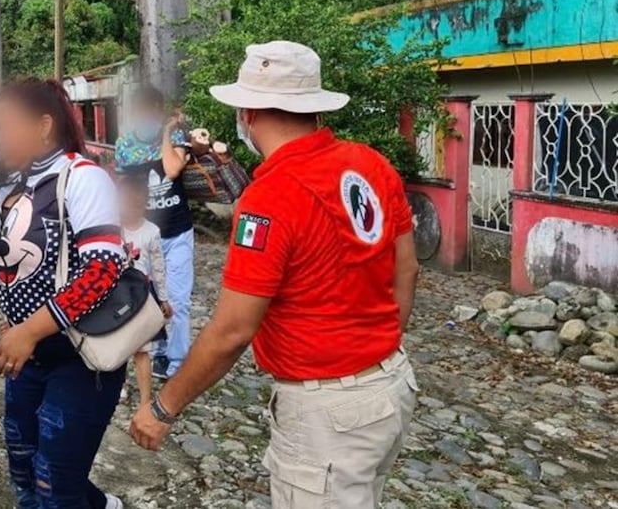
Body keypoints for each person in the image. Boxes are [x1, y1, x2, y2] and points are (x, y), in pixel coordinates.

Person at [130, 42, 420, 508]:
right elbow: (406, 267)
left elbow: (232, 330)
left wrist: (163, 407)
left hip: (327, 413)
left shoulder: (269, 197)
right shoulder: (371, 164)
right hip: (391, 385)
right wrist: (373, 348)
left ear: (248, 113)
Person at [0, 78, 126, 509]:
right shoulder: (12, 187)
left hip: (80, 358)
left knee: (55, 483)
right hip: (27, 359)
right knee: (25, 470)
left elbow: (102, 271)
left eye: (6, 126)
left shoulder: (84, 178)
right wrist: (13, 325)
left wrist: (28, 331)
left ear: (43, 126)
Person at [114, 86, 194, 379]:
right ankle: (157, 351)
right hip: (145, 235)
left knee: (179, 300)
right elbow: (122, 187)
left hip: (178, 232)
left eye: (153, 110)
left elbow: (172, 170)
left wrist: (167, 132)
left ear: (160, 111)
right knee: (150, 297)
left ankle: (177, 362)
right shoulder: (125, 145)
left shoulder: (176, 137)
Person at [118, 175, 172, 407]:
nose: (132, 208)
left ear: (145, 203)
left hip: (142, 297)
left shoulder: (151, 231)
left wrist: (163, 299)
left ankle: (145, 400)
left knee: (142, 350)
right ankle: (118, 387)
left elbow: (158, 268)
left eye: (138, 203)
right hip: (116, 296)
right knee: (119, 347)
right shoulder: (113, 228)